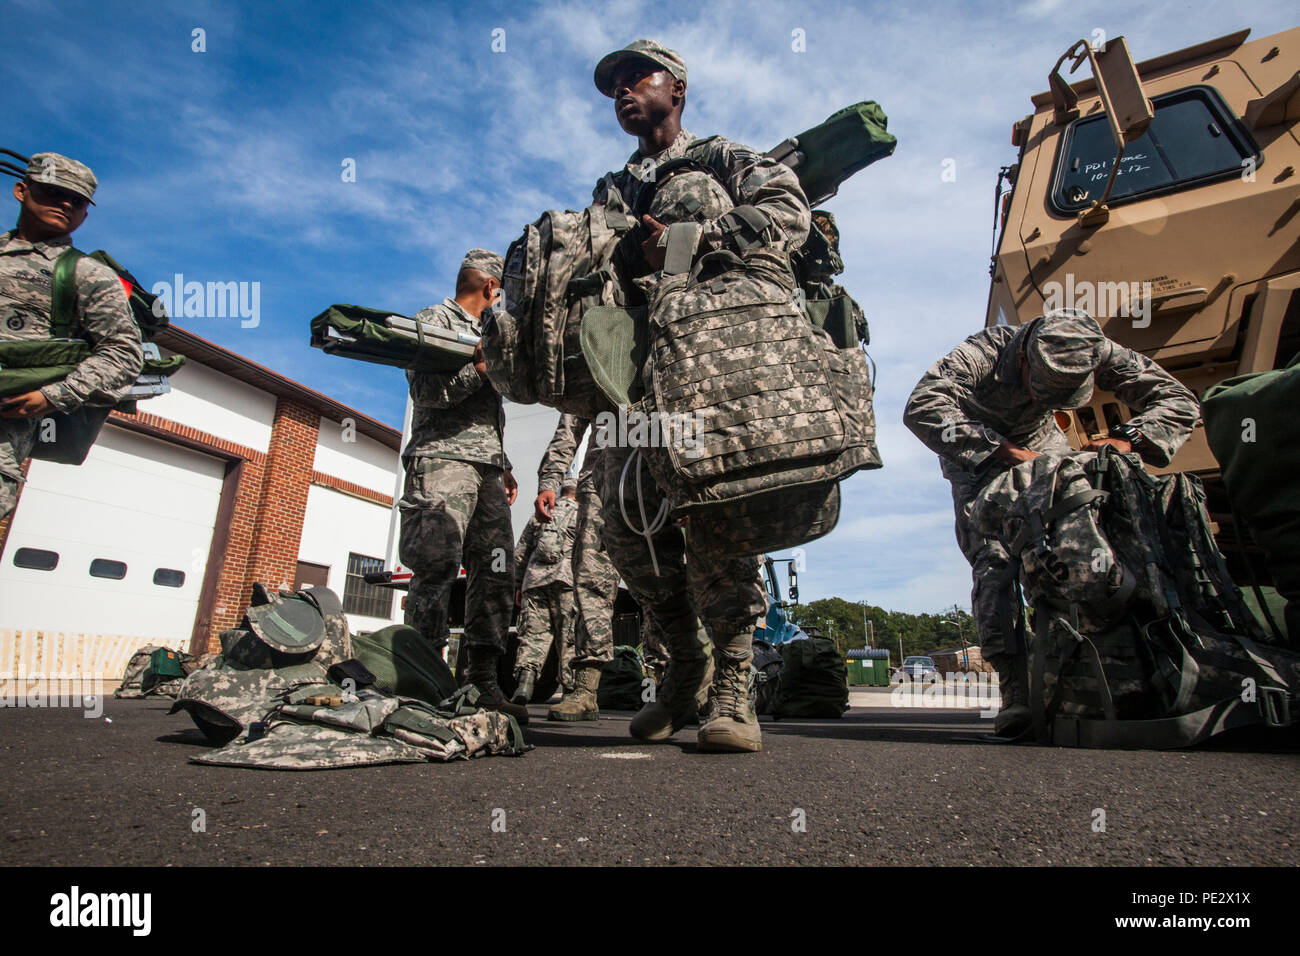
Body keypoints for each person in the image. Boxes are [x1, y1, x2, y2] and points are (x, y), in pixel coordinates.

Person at [588, 39, 811, 752]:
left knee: (719, 519)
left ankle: (734, 688)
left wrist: (691, 241)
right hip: (633, 374)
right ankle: (683, 665)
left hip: (711, 365)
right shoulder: (611, 189)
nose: (624, 90)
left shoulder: (720, 159)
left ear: (676, 89)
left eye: (636, 77)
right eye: (615, 84)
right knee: (627, 532)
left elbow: (785, 213)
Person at [903, 309, 1200, 737]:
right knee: (996, 564)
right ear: (1024, 358)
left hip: (1048, 449)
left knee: (1084, 550)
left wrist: (1128, 437)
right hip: (981, 459)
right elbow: (922, 406)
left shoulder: (1093, 347)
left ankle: (1098, 672)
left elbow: (1177, 399)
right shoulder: (984, 352)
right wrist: (1003, 452)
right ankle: (1017, 692)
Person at [397, 248, 526, 722]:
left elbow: (488, 415)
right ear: (490, 287)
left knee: (496, 574)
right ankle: (424, 683)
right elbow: (427, 394)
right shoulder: (434, 319)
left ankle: (482, 684)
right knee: (436, 567)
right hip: (442, 461)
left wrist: (505, 464)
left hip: (488, 468)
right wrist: (480, 369)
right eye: (501, 292)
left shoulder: (487, 333)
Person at [1, 152, 142, 517]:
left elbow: (123, 353)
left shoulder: (87, 274)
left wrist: (53, 396)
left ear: (85, 214)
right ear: (22, 190)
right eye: (52, 192)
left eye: (77, 201)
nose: (65, 204)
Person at [511, 477, 580, 705]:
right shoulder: (582, 515)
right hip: (567, 582)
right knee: (568, 638)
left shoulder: (540, 514)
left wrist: (518, 585)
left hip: (535, 582)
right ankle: (571, 693)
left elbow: (520, 553)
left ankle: (525, 685)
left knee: (532, 637)